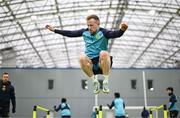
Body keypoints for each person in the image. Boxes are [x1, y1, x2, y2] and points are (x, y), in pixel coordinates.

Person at [46, 15, 128, 94]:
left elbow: (115, 34)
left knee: (104, 53)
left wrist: (122, 30)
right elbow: (70, 33)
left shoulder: (104, 32)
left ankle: (105, 81)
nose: (89, 28)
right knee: (81, 58)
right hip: (91, 65)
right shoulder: (84, 32)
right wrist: (54, 30)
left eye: (91, 25)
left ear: (98, 23)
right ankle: (95, 82)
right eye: (88, 25)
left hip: (102, 63)